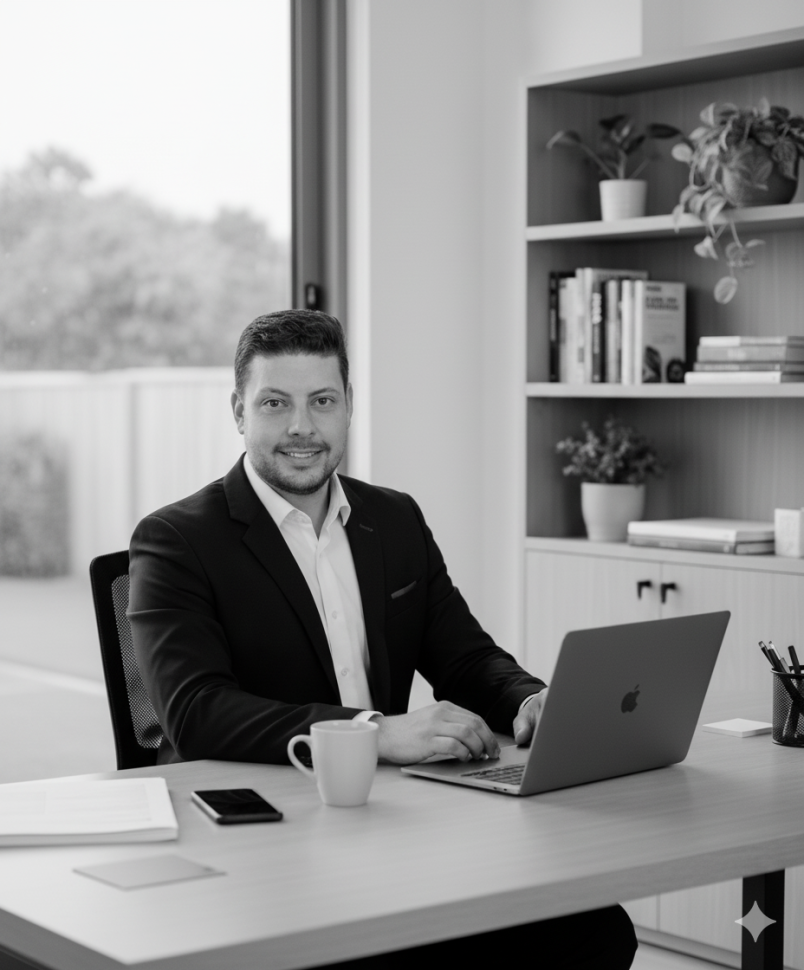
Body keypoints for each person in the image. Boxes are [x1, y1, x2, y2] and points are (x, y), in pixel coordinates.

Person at [128, 309, 637, 969]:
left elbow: (464, 655)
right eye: (275, 403)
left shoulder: (393, 518)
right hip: (259, 840)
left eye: (322, 401)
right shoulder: (176, 539)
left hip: (387, 820)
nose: (302, 427)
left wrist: (530, 699)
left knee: (593, 929)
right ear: (238, 411)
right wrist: (375, 732)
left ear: (347, 406)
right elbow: (196, 713)